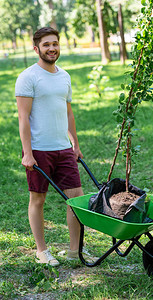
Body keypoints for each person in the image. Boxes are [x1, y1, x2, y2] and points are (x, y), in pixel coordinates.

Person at [15, 27, 84, 266]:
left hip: (63, 148)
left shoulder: (64, 76)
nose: (51, 48)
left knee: (76, 200)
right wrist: (28, 152)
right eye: (46, 45)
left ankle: (75, 251)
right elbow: (23, 117)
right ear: (36, 49)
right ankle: (42, 250)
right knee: (38, 199)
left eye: (54, 43)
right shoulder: (28, 77)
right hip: (39, 150)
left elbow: (68, 112)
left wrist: (75, 143)